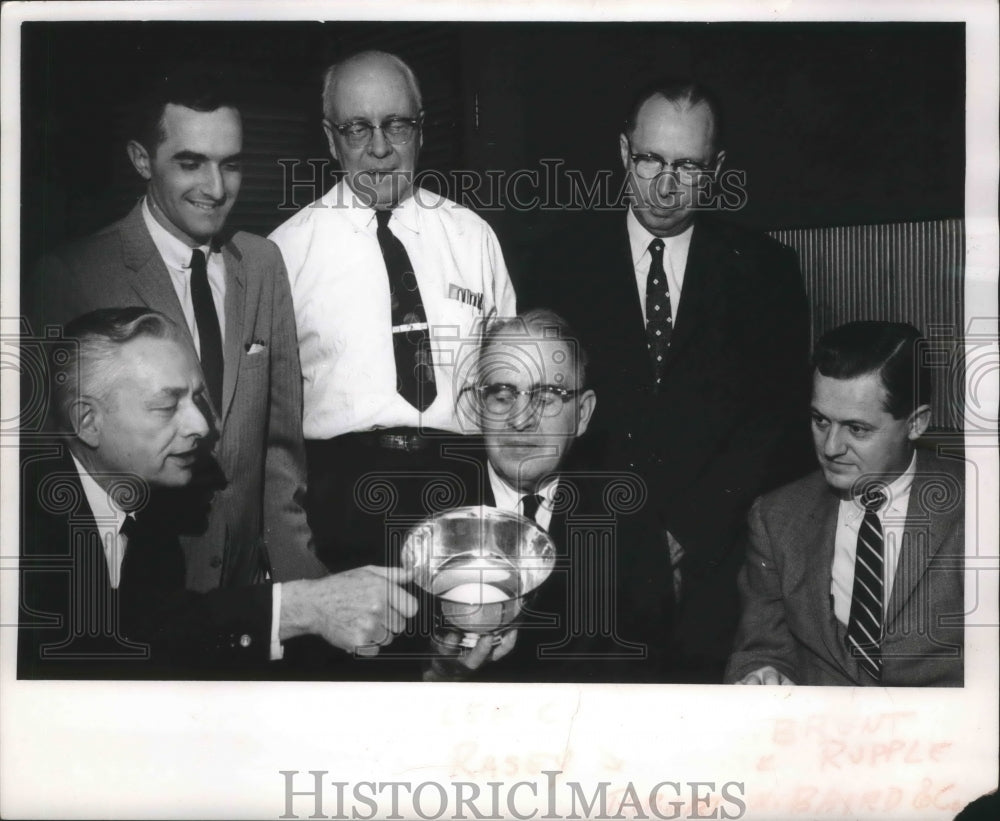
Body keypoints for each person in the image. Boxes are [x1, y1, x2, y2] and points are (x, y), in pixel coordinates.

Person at [519, 77, 813, 680]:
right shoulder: (554, 263)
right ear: (624, 152)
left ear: (716, 168)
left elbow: (777, 421)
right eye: (650, 159)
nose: (666, 183)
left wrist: (689, 534)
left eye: (688, 165)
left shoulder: (767, 271)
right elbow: (540, 413)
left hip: (719, 567)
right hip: (589, 560)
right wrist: (632, 539)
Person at [25, 66, 325, 590]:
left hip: (246, 588)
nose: (215, 188)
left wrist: (300, 583)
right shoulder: (71, 274)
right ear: (142, 160)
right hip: (141, 588)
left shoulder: (262, 263)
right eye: (191, 164)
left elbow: (281, 451)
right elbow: (53, 467)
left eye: (230, 165)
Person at [17, 308, 417, 679]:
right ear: (88, 422)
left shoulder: (148, 514)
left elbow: (166, 641)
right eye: (166, 405)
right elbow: (99, 646)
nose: (201, 426)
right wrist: (302, 606)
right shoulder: (24, 522)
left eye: (195, 398)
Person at [268, 50, 516, 571]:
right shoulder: (284, 253)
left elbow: (510, 395)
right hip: (339, 502)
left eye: (396, 125)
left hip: (463, 486)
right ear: (330, 137)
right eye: (358, 128)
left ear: (421, 131)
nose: (380, 148)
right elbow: (269, 430)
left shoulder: (473, 238)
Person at [422, 309, 674, 682]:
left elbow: (649, 663)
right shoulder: (426, 509)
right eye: (502, 395)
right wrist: (439, 666)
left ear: (583, 414)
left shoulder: (626, 517)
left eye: (547, 396)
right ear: (479, 406)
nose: (521, 418)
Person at [725, 321, 964, 686]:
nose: (831, 447)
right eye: (820, 421)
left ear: (917, 423)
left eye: (857, 429)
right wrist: (762, 675)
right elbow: (761, 650)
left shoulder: (979, 508)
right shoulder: (776, 517)